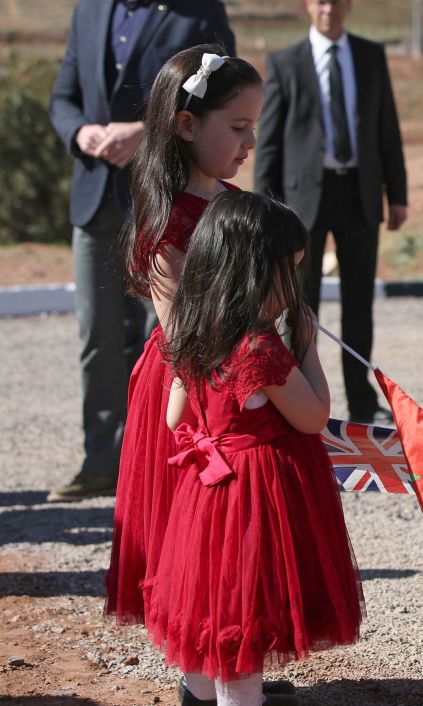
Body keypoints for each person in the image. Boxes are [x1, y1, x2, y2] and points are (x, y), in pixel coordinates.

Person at [147, 191, 363, 706]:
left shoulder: (196, 333)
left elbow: (174, 416)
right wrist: (307, 348)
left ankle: (197, 694)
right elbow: (312, 416)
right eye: (289, 270)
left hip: (205, 495)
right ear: (254, 272)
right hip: (255, 498)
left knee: (210, 611)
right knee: (246, 616)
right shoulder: (261, 350)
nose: (296, 285)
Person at [47, 0, 235, 502]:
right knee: (97, 336)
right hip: (94, 202)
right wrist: (80, 131)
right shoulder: (88, 12)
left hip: (165, 198)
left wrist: (146, 133)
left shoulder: (197, 12)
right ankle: (100, 461)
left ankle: (167, 458)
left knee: (169, 337)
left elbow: (224, 97)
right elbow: (63, 98)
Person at [104, 47, 262, 628]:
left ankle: (236, 642)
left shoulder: (241, 206)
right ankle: (202, 655)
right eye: (238, 128)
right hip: (189, 383)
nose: (248, 144)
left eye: (253, 129)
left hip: (245, 378)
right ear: (187, 124)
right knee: (193, 521)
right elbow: (183, 333)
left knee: (242, 526)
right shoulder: (167, 220)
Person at [254, 0, 408, 425]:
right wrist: (261, 208)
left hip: (358, 192)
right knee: (299, 302)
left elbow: (386, 127)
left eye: (338, 1)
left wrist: (397, 193)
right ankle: (297, 397)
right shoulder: (286, 62)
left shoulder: (370, 56)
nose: (330, 8)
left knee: (360, 302)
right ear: (307, 6)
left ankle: (360, 400)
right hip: (300, 204)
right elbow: (269, 141)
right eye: (321, 1)